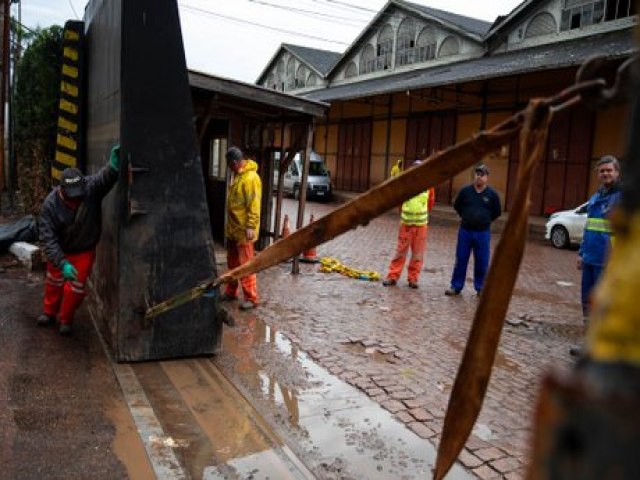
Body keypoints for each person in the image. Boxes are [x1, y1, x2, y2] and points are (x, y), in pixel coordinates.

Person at [37, 145, 120, 335]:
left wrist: (113, 166)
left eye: (78, 194)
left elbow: (103, 179)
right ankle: (49, 312)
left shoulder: (89, 188)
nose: (76, 199)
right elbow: (47, 239)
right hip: (60, 250)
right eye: (71, 196)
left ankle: (66, 319)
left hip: (84, 250)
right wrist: (61, 262)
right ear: (61, 190)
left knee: (75, 287)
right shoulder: (50, 205)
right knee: (54, 281)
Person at [445, 163, 501, 296]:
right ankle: (456, 286)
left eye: (482, 175)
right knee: (461, 259)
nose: (479, 177)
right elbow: (457, 206)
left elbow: (496, 212)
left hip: (482, 233)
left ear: (487, 177)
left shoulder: (492, 195)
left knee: (482, 261)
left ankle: (481, 288)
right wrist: (465, 216)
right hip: (465, 231)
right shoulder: (465, 191)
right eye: (477, 174)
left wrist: (485, 220)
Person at [577, 155, 622, 320]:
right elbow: (589, 227)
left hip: (608, 259)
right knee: (587, 300)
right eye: (602, 171)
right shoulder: (596, 197)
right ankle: (588, 340)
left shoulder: (624, 198)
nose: (605, 174)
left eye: (609, 170)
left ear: (617, 172)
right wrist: (582, 254)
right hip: (590, 257)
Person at [382, 160, 435, 289]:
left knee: (417, 253)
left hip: (420, 226)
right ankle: (393, 276)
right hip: (406, 224)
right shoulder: (405, 185)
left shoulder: (429, 186)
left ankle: (413, 279)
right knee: (400, 251)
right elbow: (400, 202)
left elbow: (430, 203)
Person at [221, 146, 262, 310]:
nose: (229, 168)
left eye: (230, 165)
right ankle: (231, 292)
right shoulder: (238, 176)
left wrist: (251, 226)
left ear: (235, 162)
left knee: (246, 265)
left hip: (244, 231)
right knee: (232, 262)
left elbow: (254, 204)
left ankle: (251, 298)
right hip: (234, 228)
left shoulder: (251, 179)